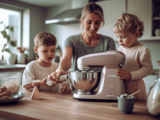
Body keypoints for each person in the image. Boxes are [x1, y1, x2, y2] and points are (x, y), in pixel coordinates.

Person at [48, 2, 116, 82]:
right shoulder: (71, 40)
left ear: (101, 22)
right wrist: (60, 69)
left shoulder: (108, 42)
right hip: (78, 85)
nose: (93, 27)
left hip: (102, 86)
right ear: (82, 21)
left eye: (97, 23)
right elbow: (66, 60)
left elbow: (112, 66)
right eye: (89, 22)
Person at [113, 13, 153, 100]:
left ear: (137, 34)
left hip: (136, 88)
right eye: (117, 37)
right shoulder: (120, 49)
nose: (119, 40)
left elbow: (148, 69)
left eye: (123, 37)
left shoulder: (142, 50)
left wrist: (131, 75)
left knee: (138, 109)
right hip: (122, 85)